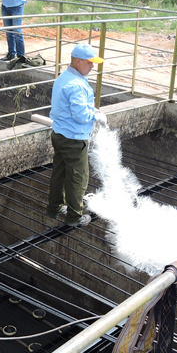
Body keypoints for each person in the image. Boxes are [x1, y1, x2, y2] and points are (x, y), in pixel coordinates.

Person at [46, 43, 108, 227]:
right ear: (78, 61)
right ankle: (74, 216)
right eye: (89, 63)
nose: (92, 66)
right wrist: (96, 116)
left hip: (59, 134)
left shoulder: (64, 78)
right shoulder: (76, 85)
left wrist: (91, 109)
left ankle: (54, 208)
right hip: (74, 138)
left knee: (60, 171)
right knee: (78, 177)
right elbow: (80, 116)